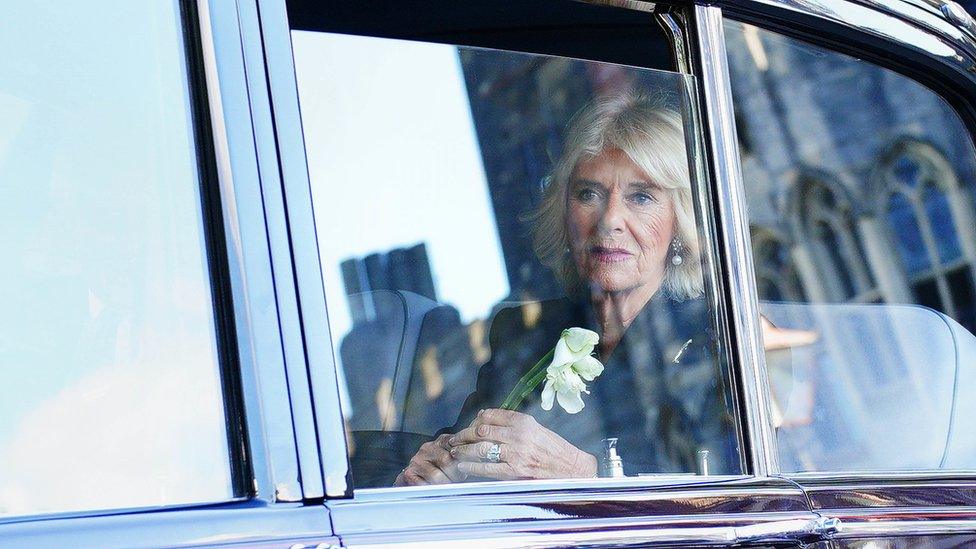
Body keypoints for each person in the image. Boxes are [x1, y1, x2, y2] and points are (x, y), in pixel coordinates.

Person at [395, 91, 738, 486]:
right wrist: (431, 477)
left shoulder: (727, 338)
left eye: (641, 196)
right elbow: (468, 453)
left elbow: (734, 494)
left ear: (680, 220)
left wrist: (585, 475)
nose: (610, 219)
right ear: (565, 213)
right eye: (588, 194)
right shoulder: (521, 339)